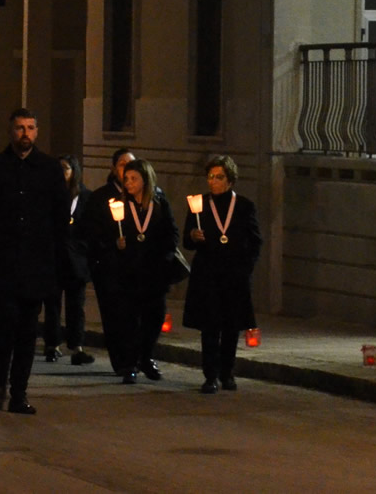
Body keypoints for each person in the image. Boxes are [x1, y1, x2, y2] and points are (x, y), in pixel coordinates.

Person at [0, 108, 70, 415]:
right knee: (4, 328)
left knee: (27, 331)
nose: (25, 133)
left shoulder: (49, 169)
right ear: (11, 131)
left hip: (37, 265)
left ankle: (19, 392)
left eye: (30, 128)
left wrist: (55, 257)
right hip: (4, 263)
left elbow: (60, 217)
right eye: (20, 128)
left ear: (36, 132)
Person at [183, 155, 262, 394]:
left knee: (231, 327)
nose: (213, 181)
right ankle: (210, 376)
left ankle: (227, 372)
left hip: (233, 275)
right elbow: (186, 240)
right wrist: (193, 236)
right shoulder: (199, 204)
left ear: (230, 180)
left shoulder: (244, 206)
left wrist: (245, 269)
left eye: (219, 177)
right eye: (210, 177)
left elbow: (255, 241)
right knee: (209, 327)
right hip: (207, 274)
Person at [105, 158, 177, 384]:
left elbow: (172, 235)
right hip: (129, 273)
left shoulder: (159, 204)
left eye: (133, 179)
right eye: (126, 179)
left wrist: (162, 255)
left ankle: (146, 357)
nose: (128, 183)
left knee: (154, 319)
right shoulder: (121, 206)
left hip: (154, 273)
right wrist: (117, 243)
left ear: (145, 180)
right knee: (129, 320)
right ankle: (130, 364)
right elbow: (110, 235)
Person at [81, 148, 134, 375]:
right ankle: (121, 361)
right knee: (113, 315)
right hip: (109, 267)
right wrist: (111, 243)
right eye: (122, 164)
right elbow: (89, 232)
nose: (128, 169)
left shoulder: (142, 195)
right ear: (113, 169)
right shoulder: (100, 197)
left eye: (132, 164)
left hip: (135, 267)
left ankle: (135, 357)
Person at [44, 154, 95, 366]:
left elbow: (90, 229)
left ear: (74, 171)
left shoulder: (85, 197)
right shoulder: (51, 195)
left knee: (76, 306)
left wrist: (83, 252)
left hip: (76, 260)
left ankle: (77, 346)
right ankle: (52, 345)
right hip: (54, 257)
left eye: (65, 168)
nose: (61, 173)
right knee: (52, 304)